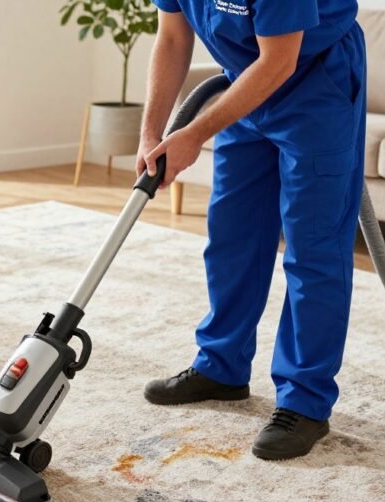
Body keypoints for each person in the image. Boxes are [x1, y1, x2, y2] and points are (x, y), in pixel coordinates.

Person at [138, 0, 366, 460]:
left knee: (313, 247)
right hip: (245, 85)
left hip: (314, 86)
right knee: (232, 236)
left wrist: (195, 134)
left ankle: (304, 401)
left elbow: (279, 60)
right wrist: (150, 134)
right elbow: (172, 36)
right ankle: (221, 366)